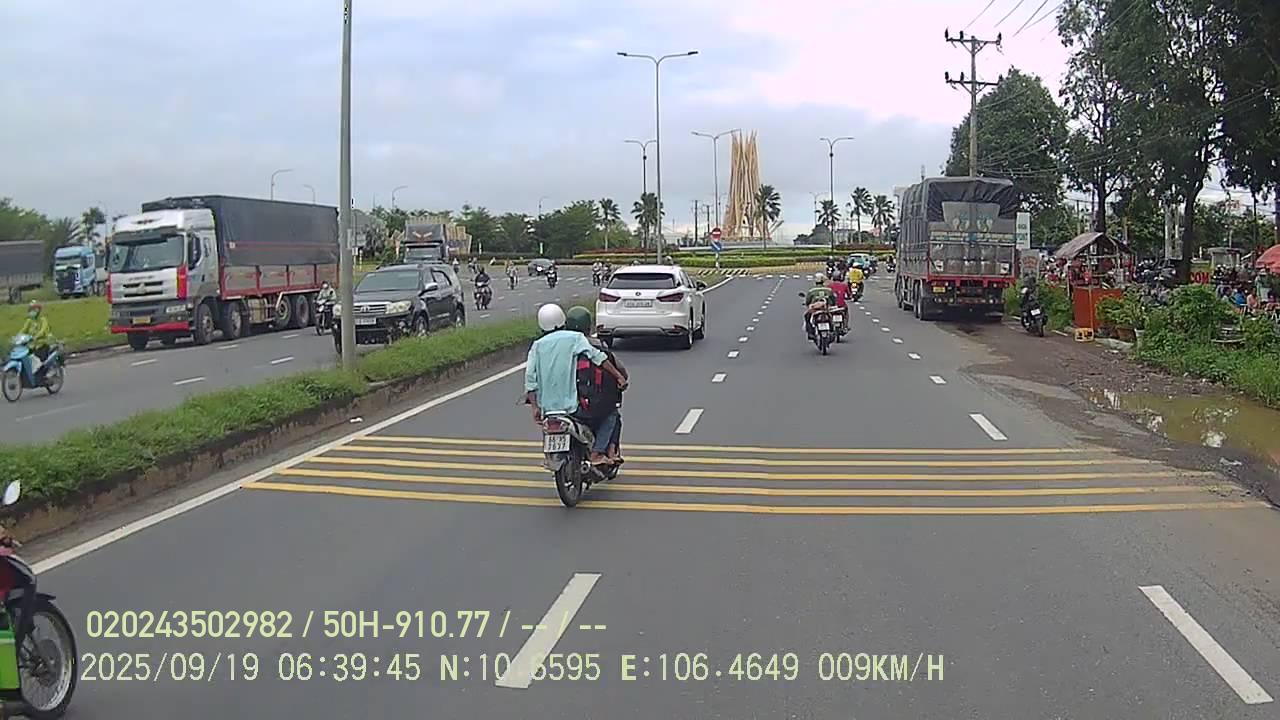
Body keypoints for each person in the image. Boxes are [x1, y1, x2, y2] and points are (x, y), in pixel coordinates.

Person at [525, 304, 627, 466]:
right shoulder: (574, 338)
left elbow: (530, 380)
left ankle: (550, 457)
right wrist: (619, 377)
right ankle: (596, 453)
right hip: (572, 407)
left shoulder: (537, 345)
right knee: (610, 414)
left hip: (548, 410)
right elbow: (598, 357)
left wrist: (535, 407)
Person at [564, 305, 627, 463]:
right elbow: (618, 368)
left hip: (562, 405)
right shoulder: (597, 346)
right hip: (587, 406)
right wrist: (621, 378)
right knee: (612, 415)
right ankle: (601, 452)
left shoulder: (559, 347)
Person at [18, 301, 54, 368]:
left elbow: (42, 330)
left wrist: (35, 337)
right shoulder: (29, 321)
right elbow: (23, 330)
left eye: (34, 309)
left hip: (42, 344)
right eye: (30, 309)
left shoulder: (43, 320)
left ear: (38, 310)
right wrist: (18, 337)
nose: (32, 311)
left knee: (39, 363)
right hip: (31, 345)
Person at [803, 273, 838, 338]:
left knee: (807, 317)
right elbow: (833, 300)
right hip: (826, 309)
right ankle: (832, 330)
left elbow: (808, 301)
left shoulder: (812, 290)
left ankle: (811, 333)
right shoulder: (828, 290)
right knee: (832, 317)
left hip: (815, 310)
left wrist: (808, 304)